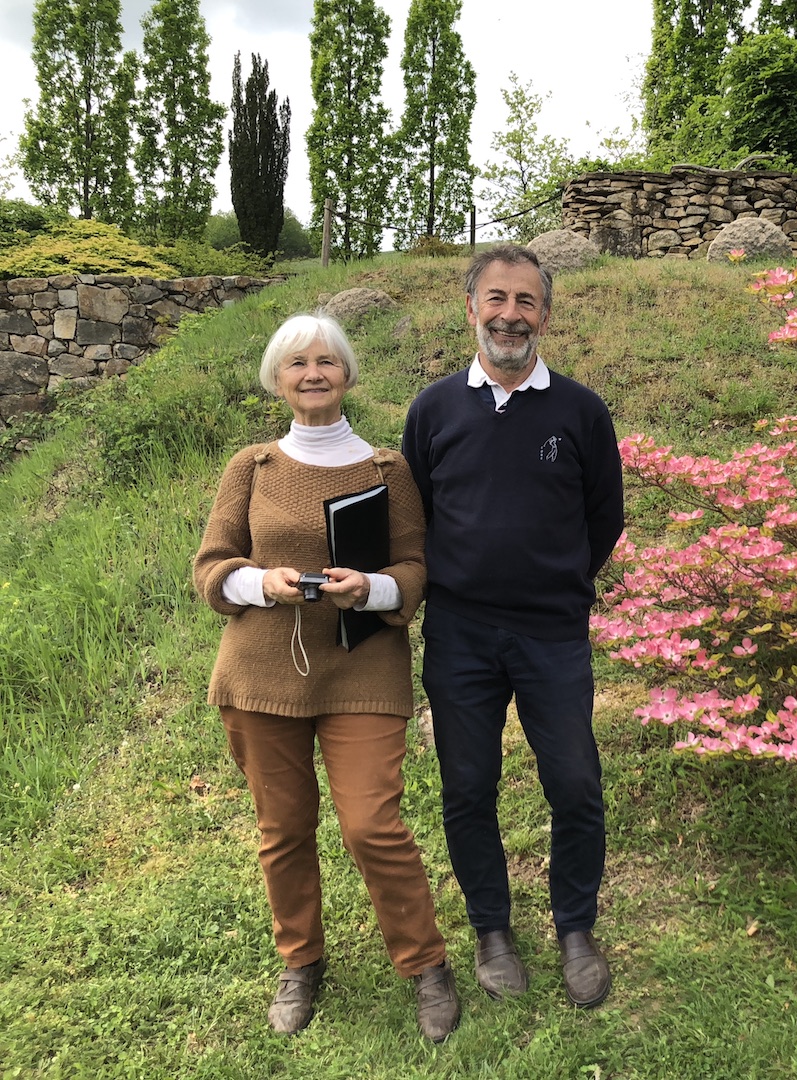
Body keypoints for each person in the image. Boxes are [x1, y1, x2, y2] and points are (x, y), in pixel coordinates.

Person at [193, 313, 461, 1042]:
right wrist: (259, 581)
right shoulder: (252, 468)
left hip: (361, 668)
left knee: (373, 824)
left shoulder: (385, 469)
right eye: (297, 363)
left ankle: (425, 963)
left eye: (327, 361)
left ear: (347, 374)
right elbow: (211, 568)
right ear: (278, 379)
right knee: (282, 830)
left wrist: (368, 588)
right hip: (260, 674)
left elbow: (415, 568)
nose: (313, 373)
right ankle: (301, 961)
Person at [401, 244, 624, 1008]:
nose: (510, 314)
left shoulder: (581, 411)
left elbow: (605, 517)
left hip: (552, 635)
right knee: (468, 788)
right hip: (460, 635)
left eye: (526, 301)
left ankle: (575, 929)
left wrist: (554, 581)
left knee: (575, 784)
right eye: (496, 298)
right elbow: (415, 517)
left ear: (546, 315)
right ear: (470, 308)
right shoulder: (433, 410)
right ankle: (491, 930)